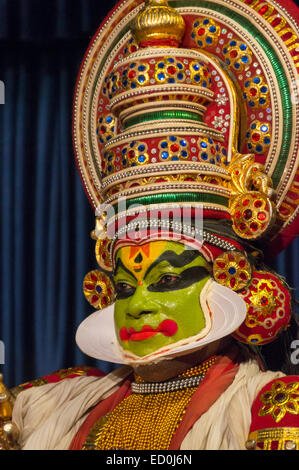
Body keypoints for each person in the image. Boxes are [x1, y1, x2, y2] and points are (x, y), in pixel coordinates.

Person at [1, 0, 299, 451]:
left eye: (169, 279)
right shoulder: (53, 404)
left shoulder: (271, 408)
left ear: (233, 282)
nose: (137, 306)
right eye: (124, 287)